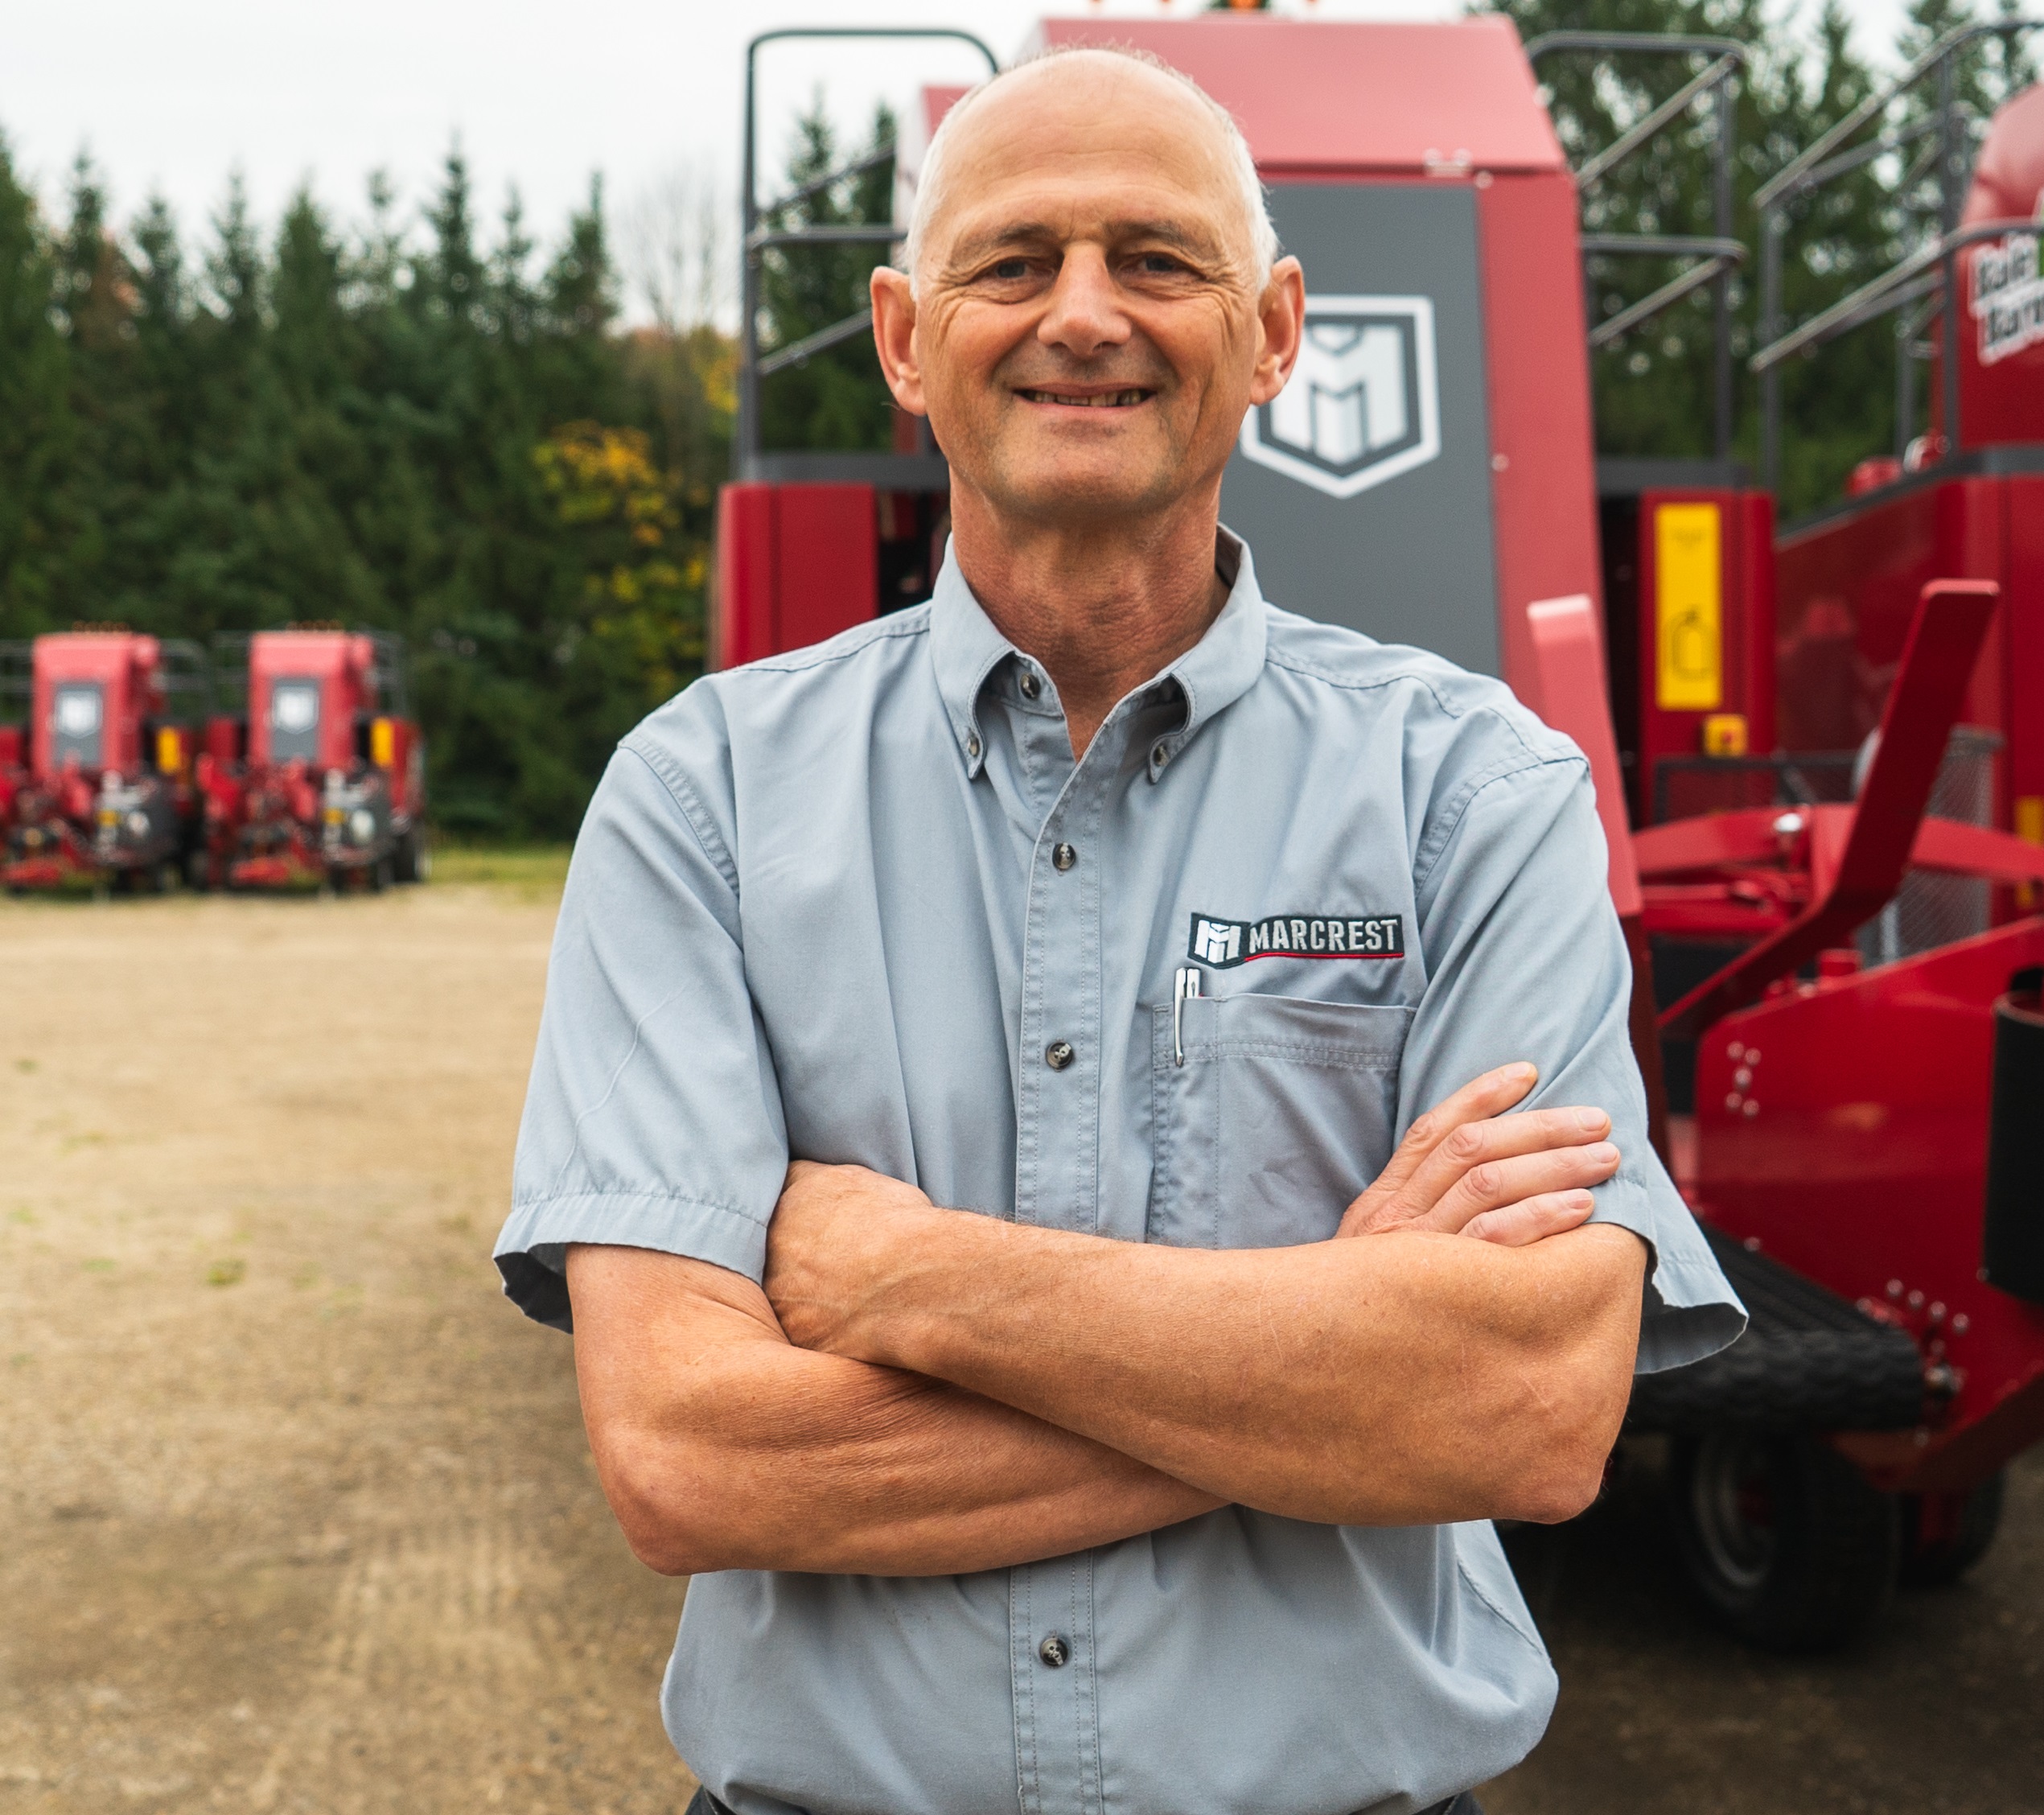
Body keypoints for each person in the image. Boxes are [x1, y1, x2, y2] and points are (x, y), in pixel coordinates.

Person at [494, 44, 1742, 1815]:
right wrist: (1336, 1360)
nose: (1083, 314)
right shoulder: (701, 798)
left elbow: (1522, 1415)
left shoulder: (1475, 794)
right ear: (905, 338)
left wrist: (902, 1278)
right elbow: (688, 1458)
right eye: (1012, 262)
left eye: (1157, 260)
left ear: (1276, 329)